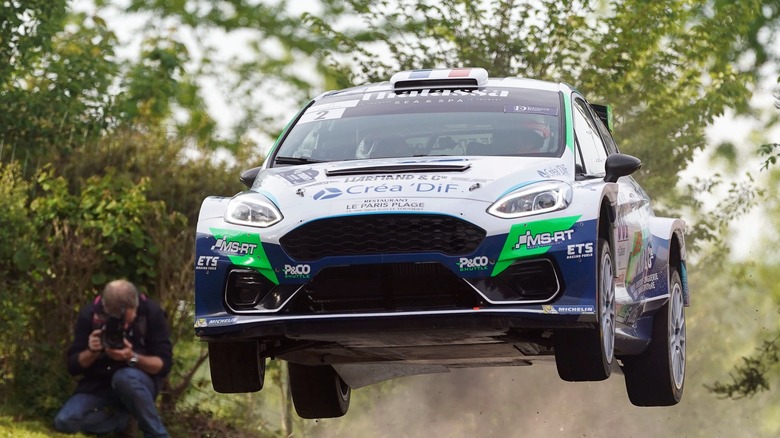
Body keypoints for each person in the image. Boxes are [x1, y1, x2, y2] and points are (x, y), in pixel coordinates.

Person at [54, 279, 173, 437]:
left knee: (124, 377)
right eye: (116, 320)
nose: (122, 327)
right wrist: (92, 351)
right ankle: (120, 422)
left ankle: (156, 434)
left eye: (126, 320)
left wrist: (132, 357)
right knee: (64, 421)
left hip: (137, 383)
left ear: (135, 306)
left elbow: (163, 365)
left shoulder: (151, 313)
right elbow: (73, 367)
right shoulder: (90, 315)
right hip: (97, 385)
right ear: (105, 309)